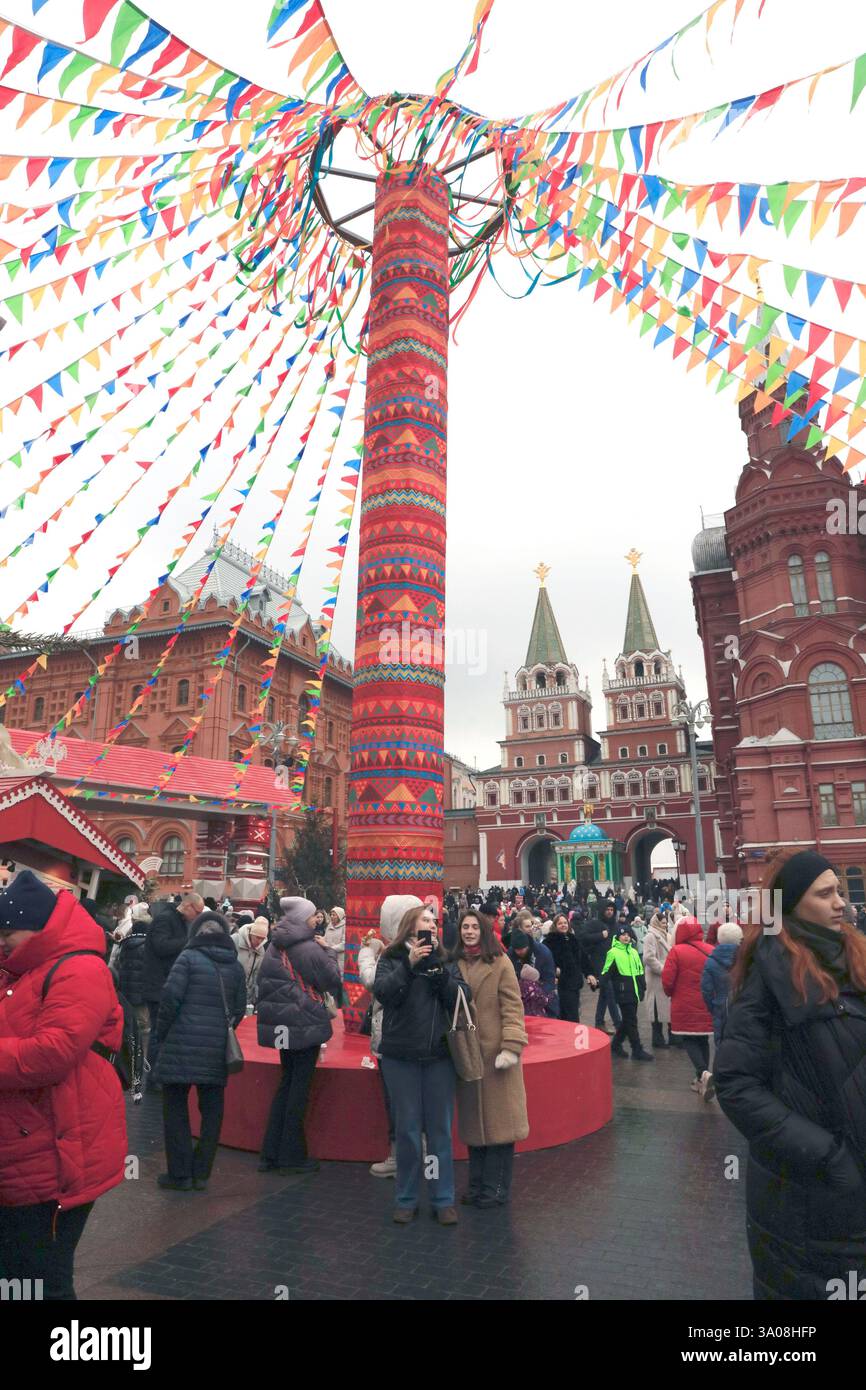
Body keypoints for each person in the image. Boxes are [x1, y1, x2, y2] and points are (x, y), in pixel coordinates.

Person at [714, 851, 866, 1301]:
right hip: (809, 1198)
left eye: (839, 890)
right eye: (825, 894)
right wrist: (829, 1157)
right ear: (791, 904)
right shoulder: (770, 970)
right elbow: (737, 1084)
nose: (841, 902)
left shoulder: (854, 957)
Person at [0, 870, 126, 1299]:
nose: (1, 942)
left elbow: (52, 1053)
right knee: (18, 1274)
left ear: (37, 930)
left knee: (40, 1278)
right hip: (26, 1146)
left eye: (7, 933)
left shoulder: (80, 969)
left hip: (57, 1151)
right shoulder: (21, 969)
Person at [373, 902, 469, 1225]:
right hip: (401, 1056)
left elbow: (462, 997)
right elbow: (384, 993)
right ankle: (406, 1197)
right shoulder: (392, 957)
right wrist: (409, 966)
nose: (432, 923)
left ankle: (443, 1199)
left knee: (440, 1131)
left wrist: (441, 977)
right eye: (425, 919)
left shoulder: (445, 959)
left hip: (439, 1056)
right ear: (410, 925)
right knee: (408, 1131)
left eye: (434, 920)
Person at [154, 909, 246, 1191]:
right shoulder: (235, 965)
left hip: (180, 1045)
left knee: (175, 1109)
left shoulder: (187, 958)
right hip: (215, 1049)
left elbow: (170, 998)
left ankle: (179, 1173)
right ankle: (202, 1172)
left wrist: (162, 1032)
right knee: (212, 1111)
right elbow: (240, 1008)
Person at [256, 896, 341, 1176]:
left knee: (286, 1084)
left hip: (281, 1026)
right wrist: (329, 952)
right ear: (303, 918)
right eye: (312, 915)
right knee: (298, 1091)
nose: (315, 919)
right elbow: (331, 980)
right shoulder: (307, 947)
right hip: (304, 1024)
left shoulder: (275, 943)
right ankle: (291, 1155)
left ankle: (271, 1151)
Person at [453, 911, 528, 1206]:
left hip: (497, 1055)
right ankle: (476, 1185)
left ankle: (496, 1188)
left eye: (474, 927)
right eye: (464, 927)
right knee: (475, 1126)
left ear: (483, 931)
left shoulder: (500, 962)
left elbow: (513, 1006)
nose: (469, 931)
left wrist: (511, 1045)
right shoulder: (456, 963)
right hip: (468, 1054)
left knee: (500, 1126)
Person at [358, 894, 423, 1179]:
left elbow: (373, 982)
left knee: (397, 1100)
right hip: (413, 1036)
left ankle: (401, 1157)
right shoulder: (412, 949)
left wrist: (366, 953)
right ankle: (415, 1155)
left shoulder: (397, 954)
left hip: (392, 1035)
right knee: (410, 1099)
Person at [142, 893, 203, 1086]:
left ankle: (158, 1074)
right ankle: (153, 1076)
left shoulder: (176, 920)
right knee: (158, 1033)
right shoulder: (165, 919)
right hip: (157, 986)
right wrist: (188, 941)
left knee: (163, 1033)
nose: (198, 916)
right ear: (188, 906)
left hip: (164, 985)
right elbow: (161, 946)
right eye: (198, 912)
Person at [662, 915, 714, 1095]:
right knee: (703, 1039)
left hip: (683, 1004)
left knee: (689, 1039)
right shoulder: (710, 949)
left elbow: (667, 981)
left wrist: (671, 994)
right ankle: (703, 1078)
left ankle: (702, 1073)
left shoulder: (676, 951)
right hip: (707, 1003)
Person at [602, 924, 653, 1061]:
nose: (626, 937)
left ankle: (616, 1044)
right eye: (623, 935)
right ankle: (637, 1049)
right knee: (631, 1021)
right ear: (618, 937)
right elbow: (606, 972)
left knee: (627, 1020)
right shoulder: (613, 952)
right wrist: (599, 983)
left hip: (635, 991)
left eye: (628, 935)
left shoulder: (634, 952)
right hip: (623, 992)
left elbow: (640, 970)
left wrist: (643, 986)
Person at [116, 901, 151, 1063]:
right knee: (143, 1023)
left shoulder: (125, 944)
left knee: (127, 1019)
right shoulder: (149, 947)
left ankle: (127, 1048)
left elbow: (116, 964)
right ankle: (140, 1052)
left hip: (125, 988)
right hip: (142, 990)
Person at [579, 901, 621, 1033]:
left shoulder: (615, 925)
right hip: (599, 963)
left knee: (604, 994)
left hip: (613, 964)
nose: (609, 912)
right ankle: (619, 1025)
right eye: (607, 909)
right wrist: (600, 936)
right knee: (610, 994)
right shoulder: (594, 924)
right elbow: (583, 937)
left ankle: (599, 1022)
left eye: (611, 909)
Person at [544, 912, 589, 1022]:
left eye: (565, 923)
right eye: (560, 923)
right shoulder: (549, 942)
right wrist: (554, 970)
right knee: (568, 1017)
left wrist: (590, 973)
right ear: (555, 925)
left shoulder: (573, 939)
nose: (563, 925)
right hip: (561, 985)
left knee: (573, 1013)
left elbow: (583, 958)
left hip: (574, 984)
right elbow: (545, 962)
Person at [507, 928, 558, 1016]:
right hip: (522, 998)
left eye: (522, 949)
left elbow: (549, 979)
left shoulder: (543, 953)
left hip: (543, 995)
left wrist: (539, 996)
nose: (519, 952)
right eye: (517, 949)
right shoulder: (511, 954)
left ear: (527, 945)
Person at [643, 909, 673, 1049]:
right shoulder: (651, 936)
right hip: (656, 978)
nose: (665, 925)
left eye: (666, 923)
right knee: (656, 1008)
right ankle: (657, 1038)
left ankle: (671, 1037)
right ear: (656, 923)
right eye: (663, 923)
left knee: (665, 1008)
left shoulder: (665, 935)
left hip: (664, 977)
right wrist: (664, 970)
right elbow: (648, 957)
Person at [234, 914, 270, 1008]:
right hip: (231, 990)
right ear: (250, 933)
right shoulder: (234, 940)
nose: (259, 941)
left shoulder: (261, 950)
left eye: (262, 939)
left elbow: (257, 976)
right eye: (257, 937)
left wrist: (256, 998)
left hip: (247, 996)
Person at [321, 906, 346, 1003]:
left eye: (334, 915)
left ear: (339, 916)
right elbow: (325, 938)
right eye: (331, 914)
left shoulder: (344, 927)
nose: (332, 916)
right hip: (329, 957)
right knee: (331, 979)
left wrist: (329, 948)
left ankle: (341, 1002)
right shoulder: (329, 926)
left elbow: (344, 944)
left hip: (340, 958)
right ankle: (332, 1002)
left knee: (340, 981)